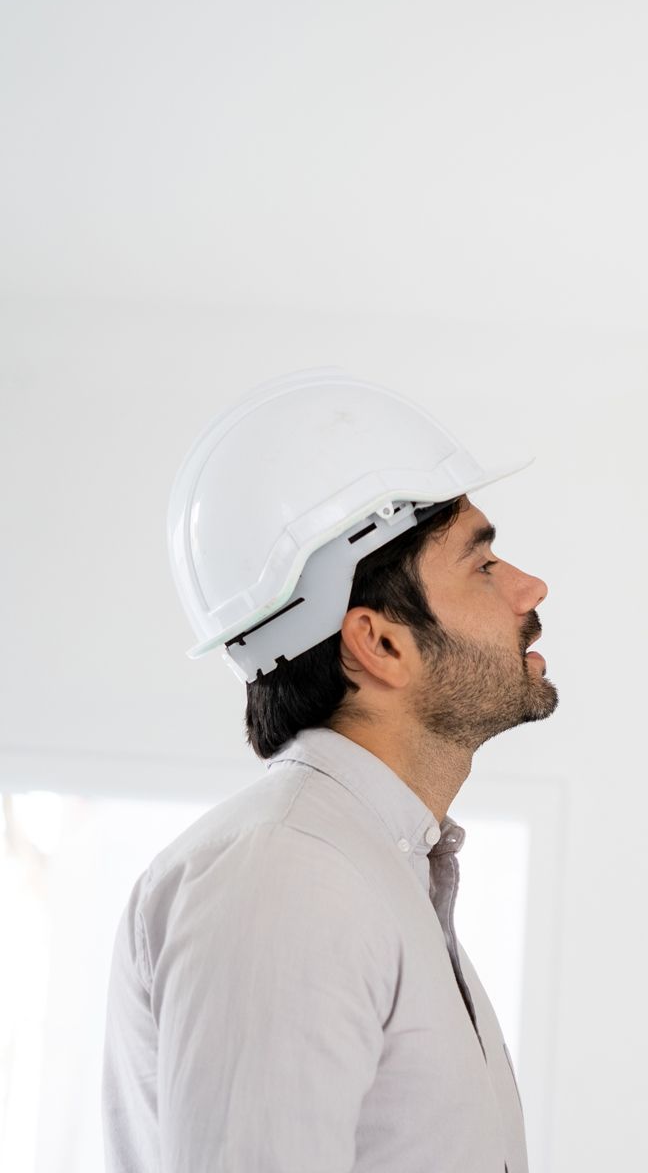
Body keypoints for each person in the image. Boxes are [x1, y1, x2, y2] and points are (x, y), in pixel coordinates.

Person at [103, 369, 554, 1172]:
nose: (530, 587)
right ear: (379, 643)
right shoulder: (286, 877)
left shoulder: (370, 866)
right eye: (482, 565)